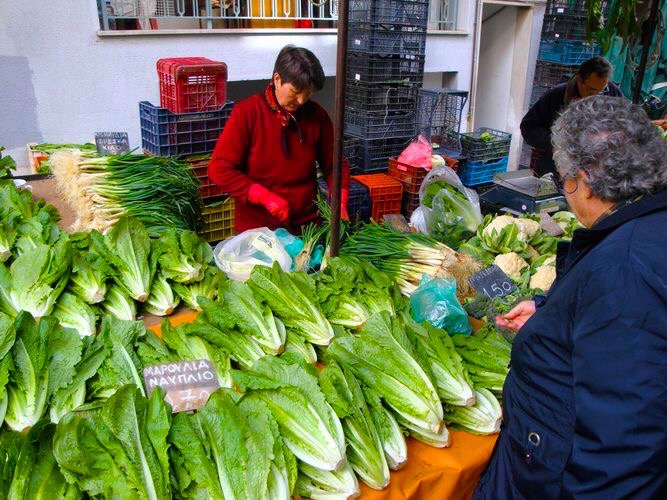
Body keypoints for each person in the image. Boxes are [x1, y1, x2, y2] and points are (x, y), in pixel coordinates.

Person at [476, 96, 667, 499]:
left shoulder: (625, 268)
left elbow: (622, 445)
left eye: (564, 181)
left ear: (584, 179)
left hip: (551, 472)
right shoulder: (644, 227)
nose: (566, 192)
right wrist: (549, 314)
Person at [209, 45, 350, 234]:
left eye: (308, 94)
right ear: (277, 79)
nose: (301, 100)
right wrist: (264, 197)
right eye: (295, 91)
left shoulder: (318, 116)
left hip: (306, 226)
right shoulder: (248, 113)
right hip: (259, 229)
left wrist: (340, 197)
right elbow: (220, 169)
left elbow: (334, 165)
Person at [521, 56, 624, 177]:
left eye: (601, 90)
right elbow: (528, 127)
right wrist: (557, 144)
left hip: (596, 171)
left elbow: (624, 125)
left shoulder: (613, 95)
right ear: (580, 79)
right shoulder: (556, 96)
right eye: (592, 89)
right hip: (554, 168)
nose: (596, 95)